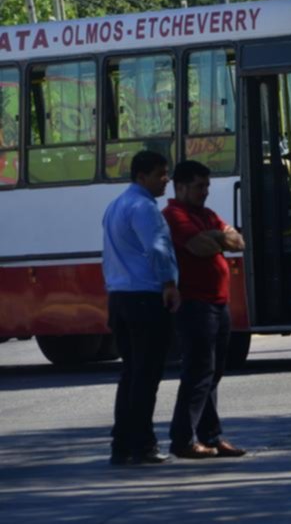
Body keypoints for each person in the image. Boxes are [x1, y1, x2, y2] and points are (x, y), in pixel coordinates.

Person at [163, 160, 247, 459]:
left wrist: (218, 238)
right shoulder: (174, 215)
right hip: (195, 304)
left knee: (213, 373)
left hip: (217, 303)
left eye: (207, 186)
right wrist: (218, 237)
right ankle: (182, 439)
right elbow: (198, 246)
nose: (205, 192)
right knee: (198, 373)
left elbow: (239, 241)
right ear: (181, 186)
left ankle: (211, 436)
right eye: (200, 186)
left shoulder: (205, 213)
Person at [102, 150, 180, 466]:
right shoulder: (145, 208)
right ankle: (143, 444)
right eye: (161, 174)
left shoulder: (116, 205)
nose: (166, 180)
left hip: (119, 298)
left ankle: (121, 444)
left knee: (131, 374)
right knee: (146, 375)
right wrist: (170, 284)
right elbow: (159, 249)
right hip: (145, 299)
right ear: (141, 176)